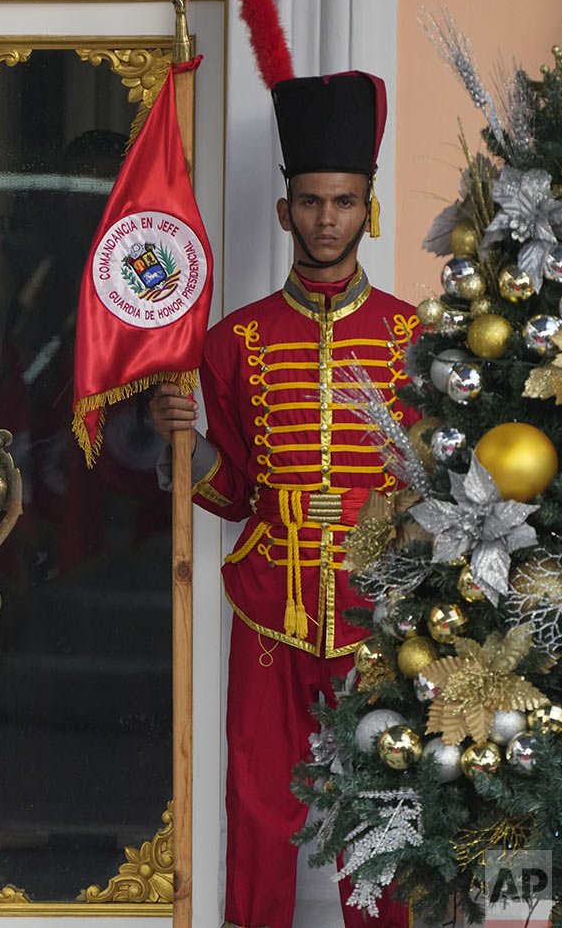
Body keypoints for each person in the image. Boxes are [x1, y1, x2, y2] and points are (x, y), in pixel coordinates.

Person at [149, 67, 416, 926]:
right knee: (259, 799)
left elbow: (452, 487)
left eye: (342, 201)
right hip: (270, 602)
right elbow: (230, 491)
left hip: (381, 614)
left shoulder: (419, 337)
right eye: (309, 201)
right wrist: (180, 445)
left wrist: (391, 520)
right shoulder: (235, 341)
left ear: (366, 207)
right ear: (284, 210)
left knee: (382, 805)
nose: (326, 218)